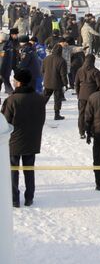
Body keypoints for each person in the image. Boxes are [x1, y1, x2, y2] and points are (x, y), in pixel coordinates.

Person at [1, 69, 45, 207]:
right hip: (32, 140)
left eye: (15, 80)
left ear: (19, 82)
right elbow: (41, 119)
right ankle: (29, 197)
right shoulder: (39, 98)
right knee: (29, 170)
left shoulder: (11, 100)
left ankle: (14, 199)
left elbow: (5, 122)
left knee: (13, 171)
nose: (13, 83)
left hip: (14, 141)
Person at [75, 54, 100, 138]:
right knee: (93, 114)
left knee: (81, 114)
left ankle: (81, 132)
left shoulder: (80, 70)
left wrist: (78, 94)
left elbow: (76, 84)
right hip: (93, 96)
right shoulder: (96, 71)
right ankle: (91, 131)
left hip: (82, 95)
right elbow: (99, 85)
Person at [42, 44, 68, 120]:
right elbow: (63, 74)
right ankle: (57, 115)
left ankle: (38, 110)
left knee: (44, 98)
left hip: (47, 82)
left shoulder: (46, 58)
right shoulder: (62, 60)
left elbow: (42, 70)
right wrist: (66, 84)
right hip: (57, 83)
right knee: (57, 99)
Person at [1, 28, 19, 94]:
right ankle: (9, 90)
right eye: (15, 34)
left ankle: (16, 90)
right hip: (8, 62)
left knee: (17, 76)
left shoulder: (16, 40)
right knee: (5, 78)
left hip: (14, 61)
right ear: (11, 34)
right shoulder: (7, 42)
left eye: (17, 34)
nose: (16, 36)